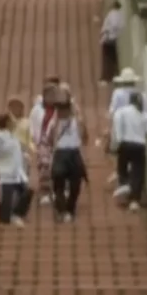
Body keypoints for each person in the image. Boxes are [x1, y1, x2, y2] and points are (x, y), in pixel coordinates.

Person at [108, 68, 147, 211]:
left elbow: (113, 113)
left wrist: (115, 139)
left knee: (122, 165)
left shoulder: (118, 95)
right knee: (138, 169)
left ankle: (124, 187)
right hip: (139, 140)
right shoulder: (142, 96)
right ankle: (135, 198)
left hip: (124, 138)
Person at [43, 93, 88, 222]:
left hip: (74, 152)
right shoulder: (54, 122)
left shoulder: (77, 121)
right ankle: (61, 209)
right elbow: (50, 140)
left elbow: (85, 138)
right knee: (58, 182)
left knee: (76, 184)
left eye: (65, 108)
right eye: (60, 109)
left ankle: (70, 208)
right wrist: (56, 125)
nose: (62, 111)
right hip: (60, 153)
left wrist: (79, 118)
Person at [0, 109, 30, 226]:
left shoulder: (13, 136)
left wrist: (24, 155)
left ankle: (16, 214)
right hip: (5, 173)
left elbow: (16, 150)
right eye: (13, 119)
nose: (15, 121)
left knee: (27, 192)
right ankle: (5, 221)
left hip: (17, 172)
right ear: (8, 123)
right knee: (5, 200)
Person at [99, 3, 126, 84]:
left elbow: (113, 25)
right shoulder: (121, 15)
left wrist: (107, 31)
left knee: (107, 59)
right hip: (114, 39)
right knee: (114, 58)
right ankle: (115, 74)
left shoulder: (113, 14)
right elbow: (122, 27)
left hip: (108, 38)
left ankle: (106, 77)